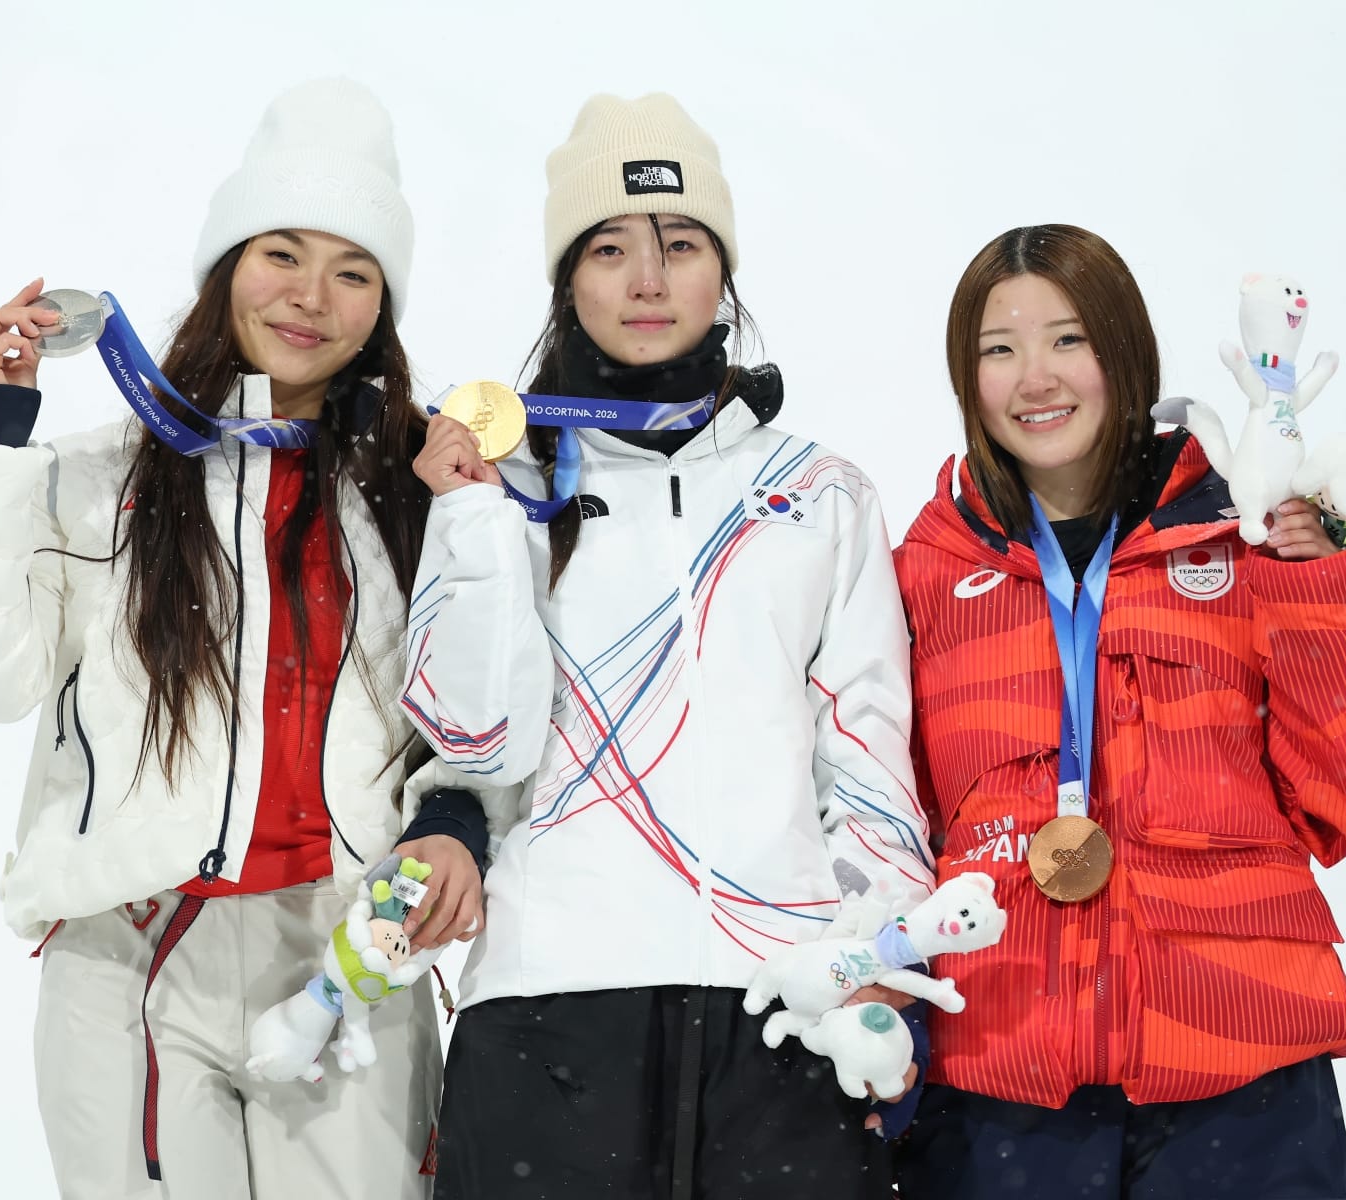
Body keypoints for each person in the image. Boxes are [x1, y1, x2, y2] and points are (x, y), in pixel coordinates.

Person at [0, 79, 487, 1199]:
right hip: (132, 955)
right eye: (281, 254)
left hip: (349, 954)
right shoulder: (102, 481)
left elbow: (480, 717)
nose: (310, 297)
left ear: (383, 307)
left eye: (353, 272)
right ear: (225, 267)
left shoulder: (418, 497)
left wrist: (453, 823)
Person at [399, 93, 934, 1199]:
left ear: (722, 273)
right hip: (549, 1012)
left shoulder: (820, 492)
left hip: (781, 1008)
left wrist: (875, 958)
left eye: (680, 244)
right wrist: (473, 519)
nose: (647, 280)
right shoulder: (504, 484)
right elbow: (472, 740)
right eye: (609, 249)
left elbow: (868, 757)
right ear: (569, 280)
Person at [892, 223, 1346, 1199]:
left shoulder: (1247, 534)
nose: (1035, 379)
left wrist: (1317, 585)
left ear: (1125, 350)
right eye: (998, 349)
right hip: (996, 1098)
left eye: (1068, 339)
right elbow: (885, 831)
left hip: (1242, 1089)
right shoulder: (923, 573)